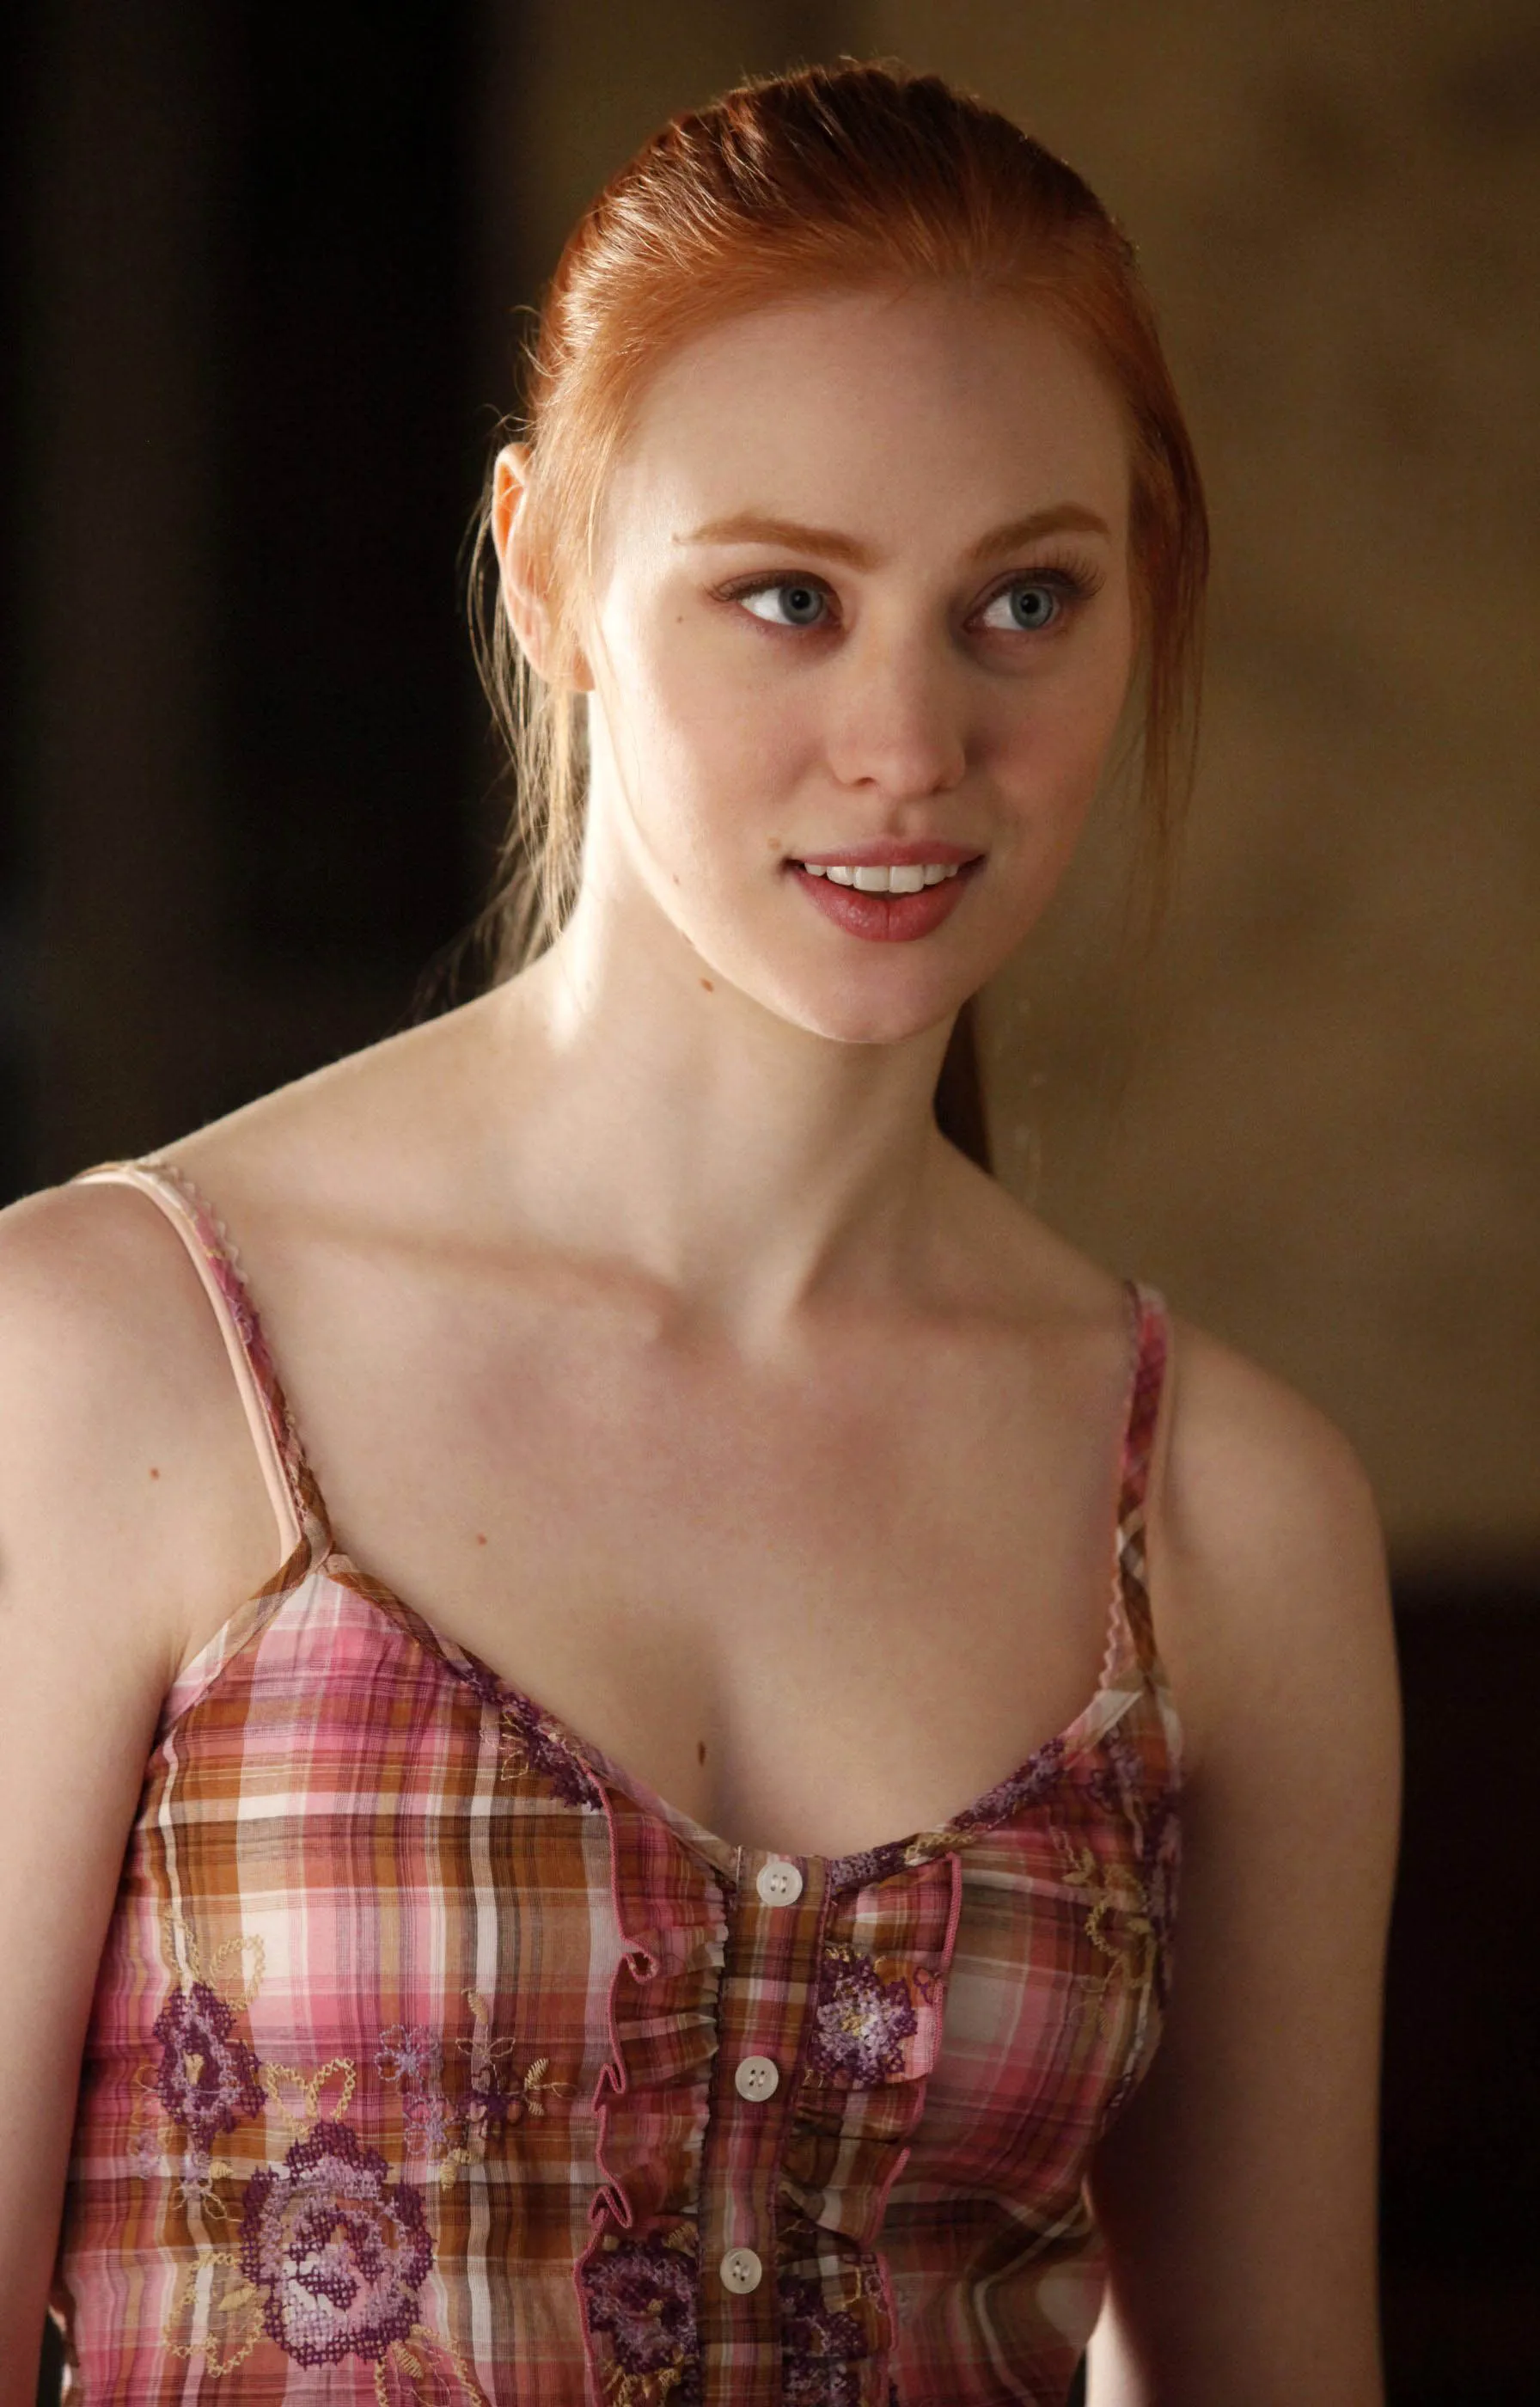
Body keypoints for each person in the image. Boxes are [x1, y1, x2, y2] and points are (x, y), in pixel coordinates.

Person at [0, 59, 1400, 2407]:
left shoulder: (1227, 1521)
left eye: (1023, 600)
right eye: (786, 598)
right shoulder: (104, 1364)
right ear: (546, 573)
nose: (908, 741)